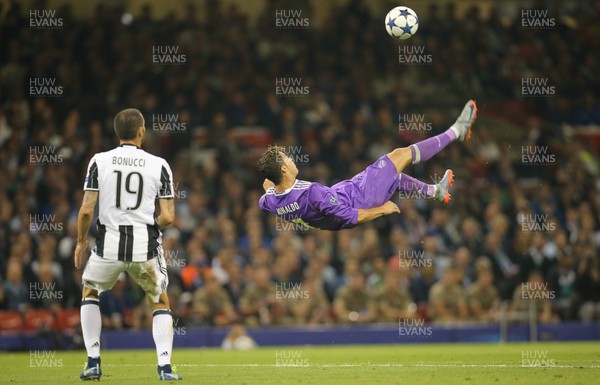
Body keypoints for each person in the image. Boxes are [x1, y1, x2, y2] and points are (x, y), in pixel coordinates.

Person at [74, 108, 182, 380]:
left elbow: (87, 210)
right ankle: (165, 368)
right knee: (159, 301)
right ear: (141, 131)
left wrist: (80, 242)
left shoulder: (99, 161)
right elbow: (168, 217)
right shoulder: (159, 165)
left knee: (90, 293)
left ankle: (93, 362)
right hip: (144, 247)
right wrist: (148, 227)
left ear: (116, 132)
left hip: (107, 246)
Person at [258, 101, 477, 230]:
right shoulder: (312, 193)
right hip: (361, 199)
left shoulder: (271, 200)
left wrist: (270, 184)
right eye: (287, 158)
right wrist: (381, 209)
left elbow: (267, 192)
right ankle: (457, 131)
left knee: (394, 176)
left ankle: (434, 191)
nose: (292, 159)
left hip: (350, 189)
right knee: (399, 156)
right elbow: (351, 217)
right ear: (284, 170)